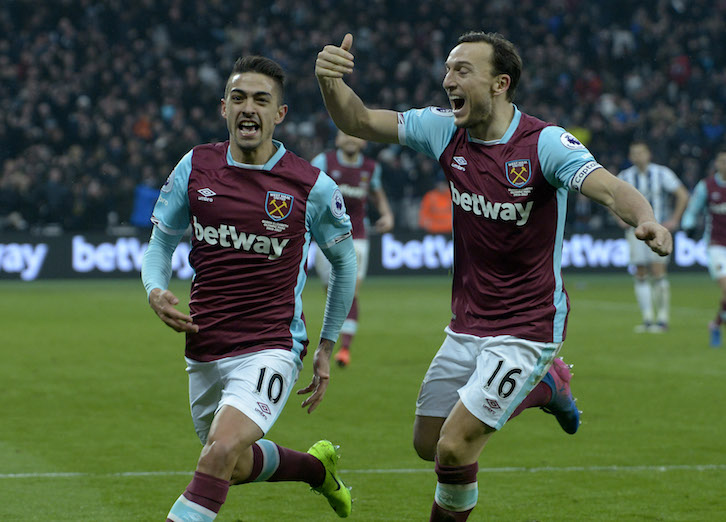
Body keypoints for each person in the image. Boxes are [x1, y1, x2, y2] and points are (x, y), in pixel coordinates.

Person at [315, 31, 672, 521]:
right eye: (447, 69)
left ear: (500, 83)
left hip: (529, 322)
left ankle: (539, 375)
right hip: (468, 320)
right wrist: (329, 81)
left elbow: (609, 189)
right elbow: (358, 119)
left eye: (462, 70)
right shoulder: (444, 130)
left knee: (455, 447)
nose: (447, 80)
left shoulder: (544, 143)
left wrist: (646, 218)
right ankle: (548, 386)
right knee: (427, 443)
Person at [141, 56, 357, 521]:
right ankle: (317, 471)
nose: (248, 108)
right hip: (205, 346)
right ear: (224, 108)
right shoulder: (196, 167)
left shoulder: (309, 185)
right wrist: (155, 289)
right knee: (232, 464)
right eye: (238, 98)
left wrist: (326, 344)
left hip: (272, 345)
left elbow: (344, 262)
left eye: (262, 100)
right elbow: (160, 242)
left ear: (279, 114)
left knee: (218, 453)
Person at [310, 130, 395, 367]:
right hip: (325, 238)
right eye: (344, 135)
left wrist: (387, 214)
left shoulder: (370, 167)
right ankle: (332, 341)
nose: (350, 139)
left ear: (364, 140)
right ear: (336, 139)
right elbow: (306, 189)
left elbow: (377, 194)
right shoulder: (323, 162)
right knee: (333, 294)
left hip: (357, 236)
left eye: (355, 135)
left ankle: (344, 348)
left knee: (350, 290)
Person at [617, 141, 689, 333]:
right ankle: (648, 319)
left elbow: (682, 194)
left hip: (657, 229)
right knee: (640, 272)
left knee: (658, 272)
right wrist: (619, 217)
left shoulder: (661, 173)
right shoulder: (625, 176)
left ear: (648, 154)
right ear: (630, 157)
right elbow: (611, 198)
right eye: (634, 153)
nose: (638, 156)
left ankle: (663, 320)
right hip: (635, 231)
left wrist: (674, 219)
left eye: (641, 152)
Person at [681, 149, 726, 347]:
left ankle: (715, 324)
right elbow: (693, 209)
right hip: (716, 245)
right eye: (722, 160)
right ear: (716, 163)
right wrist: (688, 225)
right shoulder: (707, 186)